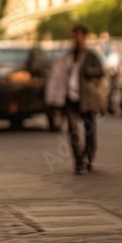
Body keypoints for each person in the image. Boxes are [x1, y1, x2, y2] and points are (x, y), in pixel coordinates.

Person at [45, 24, 107, 173]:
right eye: (73, 35)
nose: (75, 38)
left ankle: (89, 157)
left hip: (87, 99)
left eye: (78, 35)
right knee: (72, 131)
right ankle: (78, 160)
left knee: (89, 131)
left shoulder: (91, 55)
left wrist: (86, 70)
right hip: (70, 98)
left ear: (83, 36)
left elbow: (100, 71)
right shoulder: (69, 56)